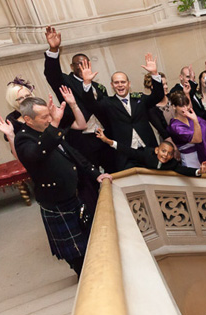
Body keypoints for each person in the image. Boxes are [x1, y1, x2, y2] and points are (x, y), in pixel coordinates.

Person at [15, 96, 111, 276]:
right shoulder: (23, 139)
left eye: (49, 115)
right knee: (76, 253)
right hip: (57, 203)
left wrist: (96, 173)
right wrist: (55, 123)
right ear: (28, 119)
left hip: (75, 196)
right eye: (44, 117)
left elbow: (72, 154)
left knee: (91, 240)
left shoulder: (49, 129)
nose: (49, 119)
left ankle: (99, 273)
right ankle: (85, 279)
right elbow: (36, 154)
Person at [43, 26, 114, 173]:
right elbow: (52, 74)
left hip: (103, 136)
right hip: (82, 139)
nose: (82, 67)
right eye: (78, 64)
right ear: (71, 66)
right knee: (91, 176)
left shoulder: (98, 87)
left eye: (85, 63)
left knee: (113, 170)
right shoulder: (65, 81)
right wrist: (54, 50)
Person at [79, 53, 165, 170]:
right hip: (124, 154)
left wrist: (154, 74)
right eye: (116, 83)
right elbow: (90, 104)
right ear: (112, 85)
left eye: (123, 82)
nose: (120, 85)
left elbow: (158, 95)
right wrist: (87, 83)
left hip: (148, 150)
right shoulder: (107, 102)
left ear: (129, 84)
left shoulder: (139, 98)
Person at [96, 132, 206, 177]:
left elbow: (184, 170)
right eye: (163, 151)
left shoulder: (172, 163)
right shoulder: (146, 154)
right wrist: (108, 141)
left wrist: (199, 171)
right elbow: (129, 151)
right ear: (156, 150)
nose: (165, 155)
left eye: (169, 153)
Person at [168, 91, 206, 173]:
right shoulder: (175, 126)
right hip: (190, 159)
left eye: (186, 105)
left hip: (205, 154)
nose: (185, 108)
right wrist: (195, 121)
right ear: (174, 107)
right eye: (182, 106)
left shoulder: (192, 118)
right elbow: (198, 139)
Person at [144, 72, 174, 144]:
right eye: (163, 85)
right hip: (169, 142)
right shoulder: (151, 108)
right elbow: (162, 131)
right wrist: (174, 147)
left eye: (166, 84)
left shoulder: (172, 97)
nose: (166, 86)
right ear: (152, 86)